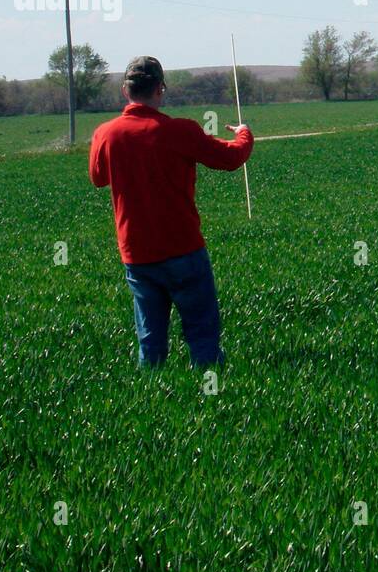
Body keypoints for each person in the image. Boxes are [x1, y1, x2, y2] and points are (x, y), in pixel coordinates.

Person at [89, 55, 254, 368]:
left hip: (137, 254)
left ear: (126, 91)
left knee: (150, 339)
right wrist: (244, 133)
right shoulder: (181, 131)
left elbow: (98, 178)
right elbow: (231, 158)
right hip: (183, 249)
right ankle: (210, 390)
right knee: (202, 332)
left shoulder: (105, 134)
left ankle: (151, 400)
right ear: (160, 90)